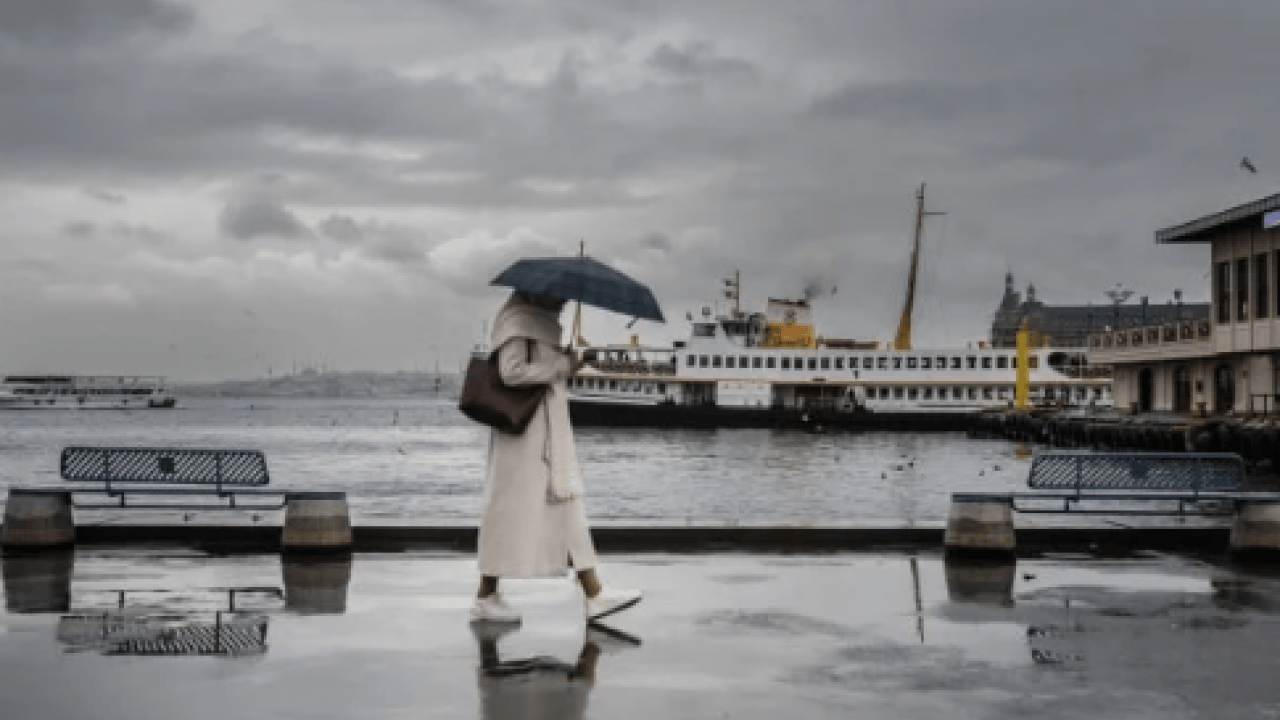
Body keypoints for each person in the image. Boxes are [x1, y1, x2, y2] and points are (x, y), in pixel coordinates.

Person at [472, 290, 642, 624]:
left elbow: (539, 369)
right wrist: (561, 364)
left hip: (546, 434)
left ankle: (592, 593)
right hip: (525, 438)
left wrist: (563, 361)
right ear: (539, 295)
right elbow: (511, 372)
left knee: (566, 506)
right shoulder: (517, 324)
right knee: (510, 511)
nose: (564, 302)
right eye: (559, 297)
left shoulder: (538, 324)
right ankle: (486, 594)